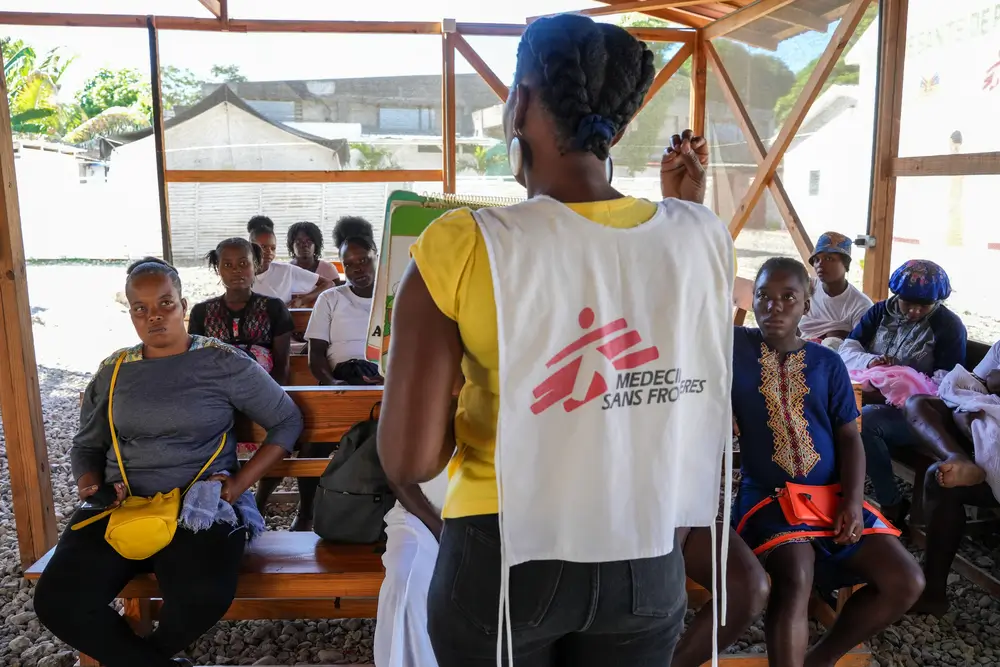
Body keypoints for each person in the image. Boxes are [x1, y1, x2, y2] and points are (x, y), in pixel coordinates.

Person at [378, 14, 736, 667]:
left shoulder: (464, 243)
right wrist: (685, 213)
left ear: (518, 103)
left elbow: (408, 460)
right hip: (646, 549)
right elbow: (695, 412)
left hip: (503, 551)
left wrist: (459, 538)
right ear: (622, 129)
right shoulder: (699, 237)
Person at [33, 258, 302, 667]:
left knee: (202, 595)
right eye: (139, 308)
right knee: (57, 601)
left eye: (165, 303)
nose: (153, 315)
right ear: (129, 312)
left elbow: (287, 419)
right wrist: (91, 486)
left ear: (183, 304)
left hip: (198, 506)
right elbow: (85, 445)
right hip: (122, 505)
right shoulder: (115, 370)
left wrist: (237, 485)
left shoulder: (222, 361)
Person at [733, 257, 923, 667]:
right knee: (796, 576)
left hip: (831, 498)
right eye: (763, 296)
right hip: (770, 498)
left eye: (788, 297)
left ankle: (820, 660)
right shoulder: (735, 348)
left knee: (905, 580)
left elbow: (849, 437)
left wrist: (854, 502)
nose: (774, 307)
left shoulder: (827, 364)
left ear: (807, 304)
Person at [839, 259, 966, 524]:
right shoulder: (879, 313)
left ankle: (891, 503)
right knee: (833, 405)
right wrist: (870, 362)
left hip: (920, 414)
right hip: (872, 391)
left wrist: (900, 381)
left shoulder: (949, 327)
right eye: (908, 303)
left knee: (865, 421)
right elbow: (847, 349)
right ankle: (835, 486)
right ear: (896, 295)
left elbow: (946, 385)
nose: (914, 311)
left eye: (924, 306)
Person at [904, 339, 1000, 615]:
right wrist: (969, 413)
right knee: (919, 405)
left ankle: (969, 459)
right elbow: (977, 382)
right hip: (984, 419)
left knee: (939, 479)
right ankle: (957, 458)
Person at [188, 237, 294, 386]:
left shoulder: (274, 308)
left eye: (243, 263)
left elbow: (282, 366)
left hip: (264, 390)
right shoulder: (202, 312)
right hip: (217, 393)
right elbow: (197, 363)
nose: (236, 270)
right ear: (218, 269)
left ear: (255, 265)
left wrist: (272, 401)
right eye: (227, 265)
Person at [305, 216, 382, 386]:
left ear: (377, 256)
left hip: (386, 378)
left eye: (363, 260)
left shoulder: (394, 298)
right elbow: (316, 353)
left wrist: (390, 379)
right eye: (348, 264)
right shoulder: (329, 298)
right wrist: (332, 382)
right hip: (341, 378)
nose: (357, 269)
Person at [798, 232, 873, 349]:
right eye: (816, 259)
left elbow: (862, 346)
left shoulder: (861, 305)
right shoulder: (806, 288)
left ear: (845, 264)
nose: (820, 264)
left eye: (829, 258)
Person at [247, 216, 333, 306]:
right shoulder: (241, 274)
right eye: (263, 247)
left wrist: (302, 300)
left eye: (273, 248)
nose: (269, 252)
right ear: (250, 247)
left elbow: (328, 283)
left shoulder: (286, 270)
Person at [287, 220, 343, 285]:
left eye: (309, 241)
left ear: (316, 244)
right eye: (299, 242)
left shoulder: (327, 268)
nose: (305, 245)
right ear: (292, 245)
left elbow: (337, 292)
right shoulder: (286, 270)